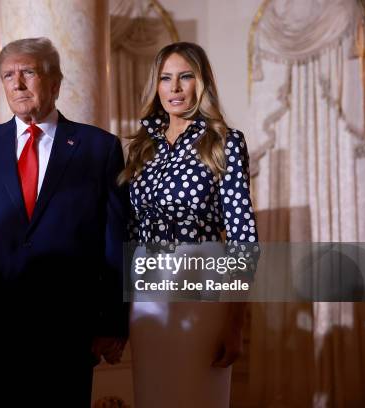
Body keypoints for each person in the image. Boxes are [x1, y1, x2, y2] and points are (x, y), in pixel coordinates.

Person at [0, 37, 129, 407]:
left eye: (28, 72)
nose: (17, 84)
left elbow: (115, 241)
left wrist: (112, 324)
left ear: (55, 82)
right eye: (8, 75)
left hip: (68, 333)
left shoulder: (99, 148)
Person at [120, 42, 259, 408]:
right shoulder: (141, 148)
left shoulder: (224, 142)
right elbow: (131, 233)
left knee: (198, 397)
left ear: (202, 83)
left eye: (185, 77)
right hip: (147, 295)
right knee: (152, 397)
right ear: (157, 87)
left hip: (202, 288)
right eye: (165, 79)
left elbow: (243, 236)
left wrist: (235, 323)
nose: (175, 88)